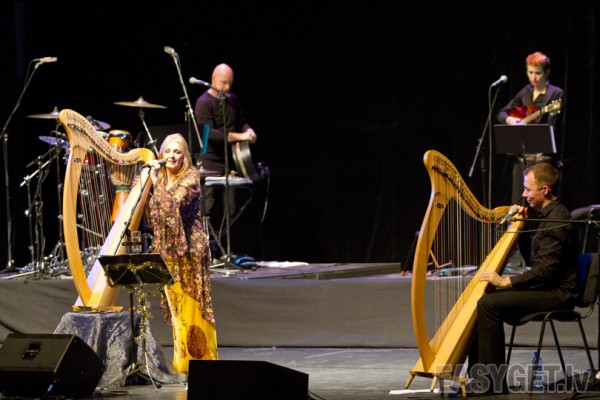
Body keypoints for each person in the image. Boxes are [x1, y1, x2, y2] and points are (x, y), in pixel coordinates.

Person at [466, 162, 579, 395]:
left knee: (488, 304)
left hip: (558, 294)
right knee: (483, 297)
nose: (524, 195)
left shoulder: (558, 219)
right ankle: (480, 378)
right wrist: (523, 229)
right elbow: (533, 261)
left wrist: (507, 282)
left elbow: (545, 271)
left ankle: (491, 383)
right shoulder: (544, 216)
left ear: (545, 190)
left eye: (528, 189)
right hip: (544, 288)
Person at [146, 133, 218, 376]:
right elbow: (154, 216)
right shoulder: (162, 179)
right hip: (169, 253)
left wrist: (155, 183)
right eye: (167, 151)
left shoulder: (190, 179)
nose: (171, 156)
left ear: (185, 156)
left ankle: (200, 363)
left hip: (189, 253)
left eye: (177, 152)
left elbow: (171, 206)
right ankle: (184, 363)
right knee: (178, 310)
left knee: (192, 308)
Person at [194, 63, 257, 233]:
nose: (227, 87)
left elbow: (241, 121)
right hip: (210, 164)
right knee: (207, 208)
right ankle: (207, 246)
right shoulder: (203, 102)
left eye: (230, 83)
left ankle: (224, 245)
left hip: (230, 163)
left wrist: (248, 130)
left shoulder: (233, 100)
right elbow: (210, 134)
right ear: (213, 79)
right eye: (223, 83)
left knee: (231, 209)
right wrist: (240, 136)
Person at [496, 51, 565, 204]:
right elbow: (501, 113)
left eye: (538, 73)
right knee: (517, 204)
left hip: (542, 160)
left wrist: (529, 128)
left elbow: (551, 127)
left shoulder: (555, 94)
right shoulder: (525, 92)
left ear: (547, 72)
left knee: (537, 203)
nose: (533, 77)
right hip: (522, 159)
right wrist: (510, 119)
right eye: (530, 72)